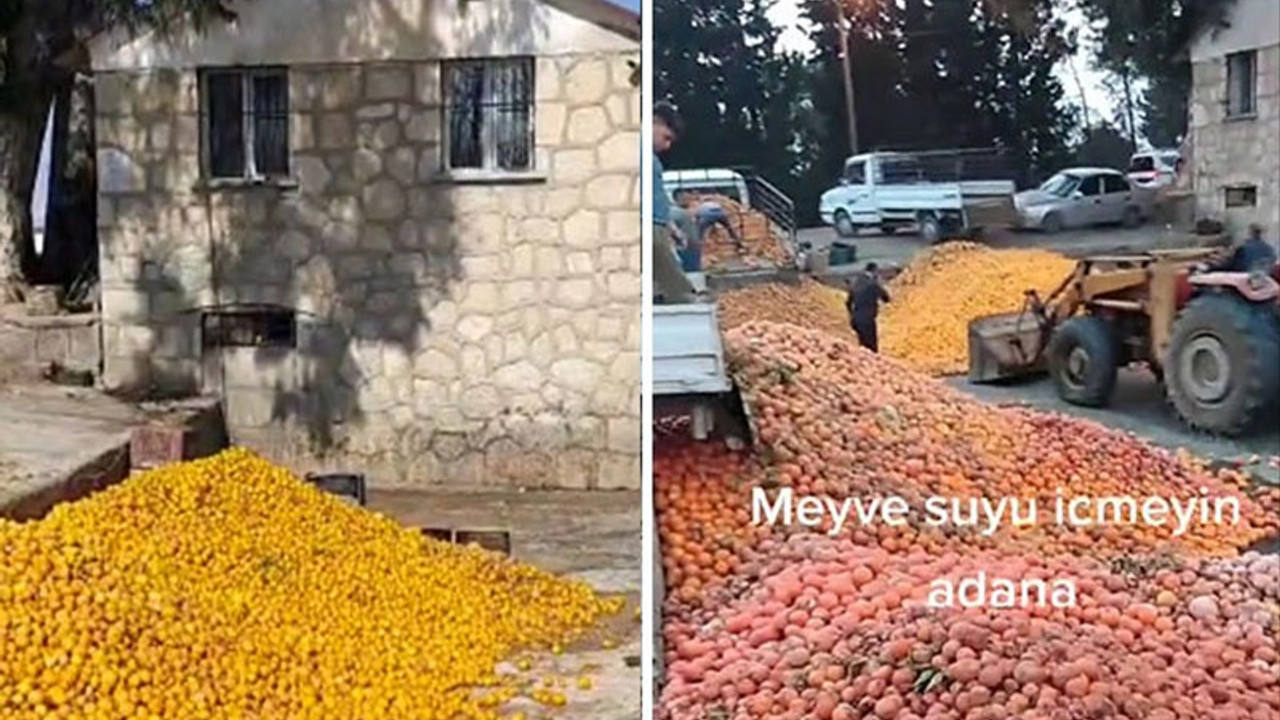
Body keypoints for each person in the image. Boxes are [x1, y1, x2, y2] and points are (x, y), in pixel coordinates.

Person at [652, 102, 698, 304]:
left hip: (658, 225)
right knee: (675, 284)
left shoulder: (652, 160)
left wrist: (672, 228)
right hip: (650, 228)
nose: (667, 146)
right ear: (654, 123)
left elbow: (658, 200)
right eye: (666, 137)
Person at [846, 262, 890, 352]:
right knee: (872, 347)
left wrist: (852, 315)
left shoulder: (856, 282)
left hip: (856, 319)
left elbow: (848, 303)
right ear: (875, 271)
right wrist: (879, 283)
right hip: (867, 320)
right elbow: (886, 298)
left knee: (862, 345)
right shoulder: (873, 284)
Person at [1203, 223, 1278, 274]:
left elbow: (1228, 260)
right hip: (1263, 279)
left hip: (1241, 278)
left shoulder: (1242, 247)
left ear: (1250, 233)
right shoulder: (1270, 250)